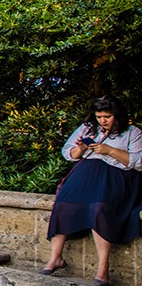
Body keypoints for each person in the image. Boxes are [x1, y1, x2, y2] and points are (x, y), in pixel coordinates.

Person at [42, 96, 142, 285]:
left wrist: (110, 151)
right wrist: (81, 148)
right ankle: (56, 258)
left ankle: (102, 270)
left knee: (99, 209)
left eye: (107, 116)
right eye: (99, 117)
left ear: (117, 115)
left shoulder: (132, 132)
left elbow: (139, 162)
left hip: (116, 177)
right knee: (63, 205)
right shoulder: (88, 128)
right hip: (86, 174)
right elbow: (69, 153)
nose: (103, 121)